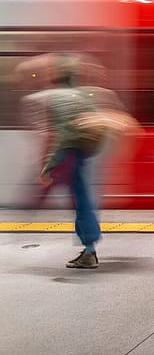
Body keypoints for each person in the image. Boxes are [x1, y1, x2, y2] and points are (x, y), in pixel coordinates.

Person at [31, 54, 105, 269]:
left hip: (70, 155)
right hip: (82, 154)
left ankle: (89, 252)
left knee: (81, 202)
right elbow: (96, 122)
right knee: (82, 200)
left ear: (58, 74)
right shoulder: (82, 95)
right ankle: (89, 249)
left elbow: (61, 136)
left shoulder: (57, 98)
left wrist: (48, 166)